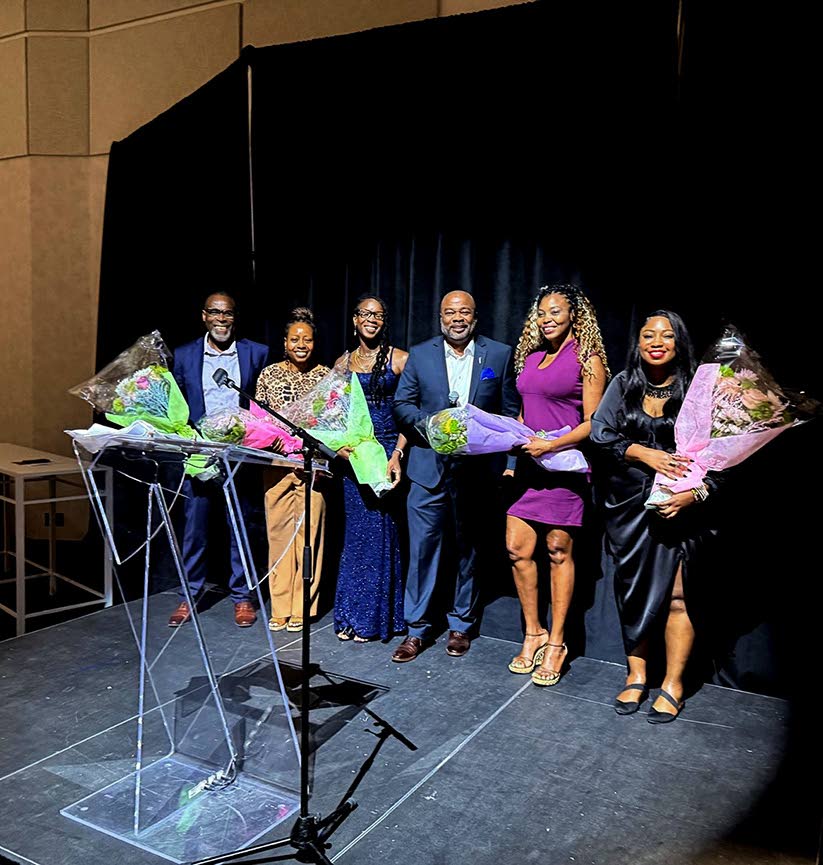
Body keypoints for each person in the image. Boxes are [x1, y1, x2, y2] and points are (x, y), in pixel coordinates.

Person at [590, 310, 718, 723]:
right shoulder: (623, 384)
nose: (656, 341)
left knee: (680, 596)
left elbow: (724, 459)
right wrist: (642, 452)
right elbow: (600, 432)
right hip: (628, 510)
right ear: (639, 342)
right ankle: (637, 673)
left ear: (679, 342)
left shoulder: (701, 389)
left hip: (683, 511)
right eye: (648, 334)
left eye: (666, 335)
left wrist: (694, 495)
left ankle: (673, 683)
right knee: (634, 594)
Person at [391, 290, 519, 662]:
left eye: (464, 312)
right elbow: (402, 404)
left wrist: (509, 463)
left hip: (477, 473)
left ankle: (461, 623)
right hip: (427, 471)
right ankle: (415, 630)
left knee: (469, 552)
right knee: (422, 553)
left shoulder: (497, 354)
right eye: (450, 312)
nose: (457, 318)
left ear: (475, 317)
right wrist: (431, 426)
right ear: (440, 317)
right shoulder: (421, 354)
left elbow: (509, 412)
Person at [505, 284, 609, 685]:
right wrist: (509, 444)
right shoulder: (531, 358)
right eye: (542, 313)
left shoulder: (588, 359)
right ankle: (534, 631)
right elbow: (524, 411)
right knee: (517, 548)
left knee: (558, 550)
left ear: (573, 316)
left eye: (556, 312)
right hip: (530, 468)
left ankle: (557, 642)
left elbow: (594, 424)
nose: (548, 320)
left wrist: (552, 443)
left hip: (565, 467)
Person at [168, 291, 269, 627]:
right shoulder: (183, 356)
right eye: (215, 313)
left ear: (234, 317)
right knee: (194, 528)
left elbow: (262, 403)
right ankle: (189, 593)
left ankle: (243, 597)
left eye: (227, 314)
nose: (222, 319)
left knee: (241, 526)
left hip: (239, 455)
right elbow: (177, 407)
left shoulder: (257, 353)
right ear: (203, 316)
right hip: (199, 456)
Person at [332, 294, 409, 642]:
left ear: (384, 320)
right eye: (365, 313)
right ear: (354, 319)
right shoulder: (343, 363)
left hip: (386, 455)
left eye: (378, 315)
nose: (371, 319)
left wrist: (399, 454)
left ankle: (373, 619)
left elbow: (412, 412)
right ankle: (349, 615)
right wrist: (338, 446)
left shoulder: (400, 360)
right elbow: (330, 413)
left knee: (380, 534)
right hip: (354, 460)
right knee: (356, 535)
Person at [255, 307, 330, 633]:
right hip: (276, 464)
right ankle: (281, 605)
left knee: (310, 537)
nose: (302, 344)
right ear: (284, 342)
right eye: (295, 338)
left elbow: (334, 421)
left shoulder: (326, 376)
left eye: (308, 339)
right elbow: (256, 420)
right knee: (279, 537)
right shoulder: (268, 375)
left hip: (313, 467)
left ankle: (303, 606)